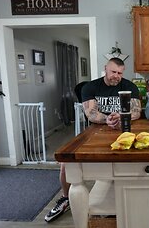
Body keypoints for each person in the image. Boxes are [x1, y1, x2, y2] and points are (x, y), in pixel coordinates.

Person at [45, 57, 141, 222]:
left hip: (122, 130)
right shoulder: (91, 87)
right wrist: (107, 119)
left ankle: (128, 201)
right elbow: (90, 113)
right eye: (113, 72)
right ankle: (66, 197)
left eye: (119, 73)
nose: (116, 76)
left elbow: (137, 111)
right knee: (66, 164)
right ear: (105, 69)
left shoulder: (129, 86)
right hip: (95, 131)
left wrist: (122, 115)